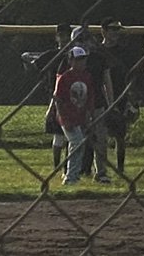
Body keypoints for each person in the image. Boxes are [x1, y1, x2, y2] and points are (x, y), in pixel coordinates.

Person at [66, 26, 114, 183]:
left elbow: (107, 81)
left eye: (86, 39)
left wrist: (111, 102)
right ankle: (72, 172)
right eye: (80, 39)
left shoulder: (99, 58)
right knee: (76, 140)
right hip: (76, 105)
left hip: (97, 103)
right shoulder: (71, 59)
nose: (85, 42)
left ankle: (101, 172)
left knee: (100, 139)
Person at [23, 22, 72, 170]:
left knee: (72, 134)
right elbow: (33, 65)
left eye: (67, 35)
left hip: (74, 96)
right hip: (56, 97)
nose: (64, 39)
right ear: (57, 37)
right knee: (59, 134)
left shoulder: (75, 55)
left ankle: (68, 166)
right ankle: (58, 166)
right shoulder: (52, 55)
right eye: (61, 35)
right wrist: (27, 60)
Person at [50, 46, 96, 185]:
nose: (81, 62)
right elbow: (58, 100)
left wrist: (89, 115)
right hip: (67, 117)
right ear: (70, 61)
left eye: (83, 59)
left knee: (77, 145)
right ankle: (71, 176)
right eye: (77, 60)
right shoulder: (65, 78)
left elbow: (90, 98)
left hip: (80, 116)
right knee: (77, 142)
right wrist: (64, 118)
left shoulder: (87, 76)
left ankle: (73, 174)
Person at [98, 17, 139, 175]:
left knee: (120, 135)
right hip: (101, 94)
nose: (115, 33)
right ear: (103, 31)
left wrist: (131, 96)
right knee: (98, 134)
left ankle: (120, 168)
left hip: (121, 93)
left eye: (117, 29)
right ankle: (94, 168)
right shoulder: (98, 51)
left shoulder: (124, 52)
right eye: (112, 29)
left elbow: (131, 75)